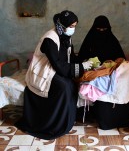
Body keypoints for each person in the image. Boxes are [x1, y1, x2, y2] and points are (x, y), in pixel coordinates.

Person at [15, 10, 93, 140]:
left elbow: (71, 57)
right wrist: (80, 67)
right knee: (63, 87)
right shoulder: (50, 38)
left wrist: (84, 63)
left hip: (54, 69)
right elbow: (57, 64)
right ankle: (53, 124)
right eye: (71, 26)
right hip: (43, 71)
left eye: (75, 26)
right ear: (62, 25)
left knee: (71, 84)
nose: (73, 29)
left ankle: (66, 122)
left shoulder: (66, 37)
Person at [77, 15, 129, 129]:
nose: (101, 32)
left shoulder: (112, 40)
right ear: (94, 28)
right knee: (88, 80)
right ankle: (89, 113)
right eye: (98, 29)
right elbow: (81, 58)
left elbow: (120, 58)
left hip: (108, 70)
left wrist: (110, 65)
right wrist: (90, 64)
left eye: (104, 29)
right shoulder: (89, 39)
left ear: (108, 29)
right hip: (92, 68)